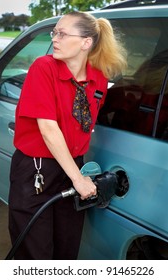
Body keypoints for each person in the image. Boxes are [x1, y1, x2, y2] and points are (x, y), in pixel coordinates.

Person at [8, 11, 127, 260]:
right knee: (35, 253)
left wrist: (77, 176)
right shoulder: (44, 67)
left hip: (75, 168)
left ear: (87, 42)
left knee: (66, 250)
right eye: (55, 33)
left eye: (62, 33)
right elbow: (49, 129)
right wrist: (79, 180)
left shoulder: (98, 80)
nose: (55, 39)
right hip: (37, 169)